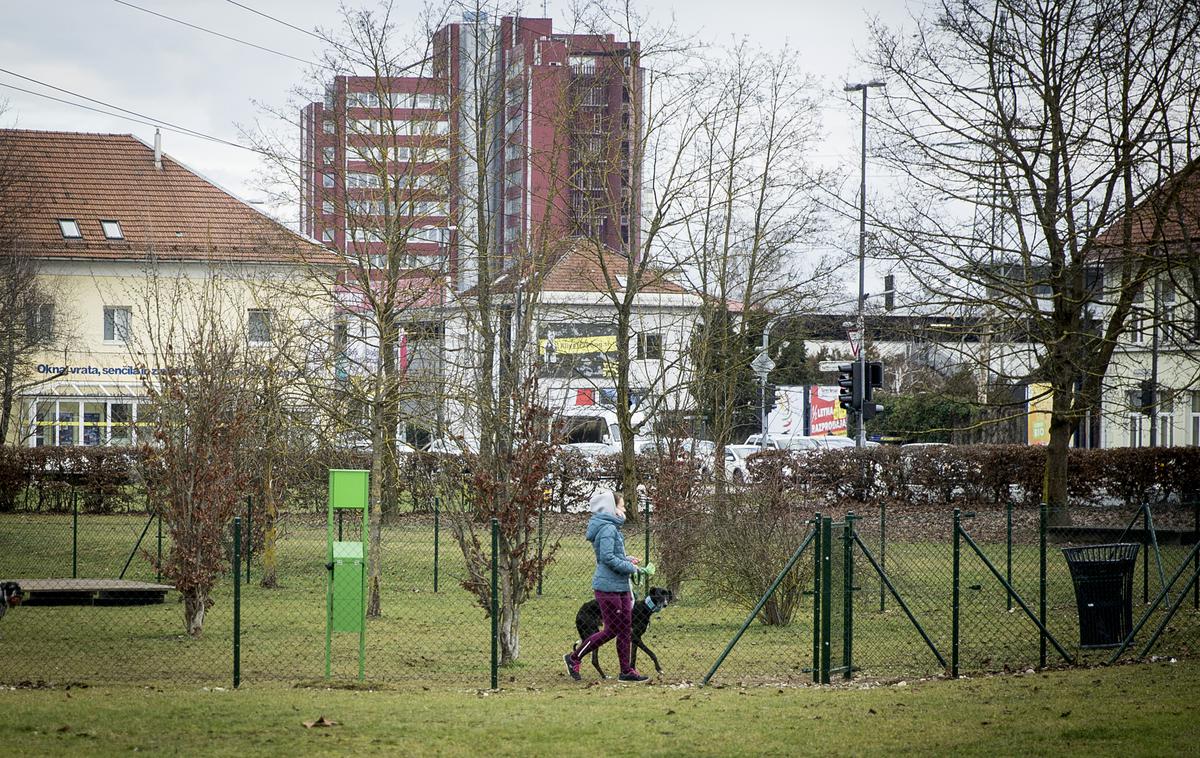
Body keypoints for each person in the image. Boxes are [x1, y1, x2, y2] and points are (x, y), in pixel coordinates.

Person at [564, 488, 650, 682]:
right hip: (608, 587)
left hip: (620, 586)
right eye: (621, 506)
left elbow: (613, 555)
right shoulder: (608, 528)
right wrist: (630, 568)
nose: (625, 510)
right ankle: (574, 657)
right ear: (611, 509)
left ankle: (626, 671)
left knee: (624, 630)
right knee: (612, 630)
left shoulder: (611, 528)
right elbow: (607, 558)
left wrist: (627, 559)